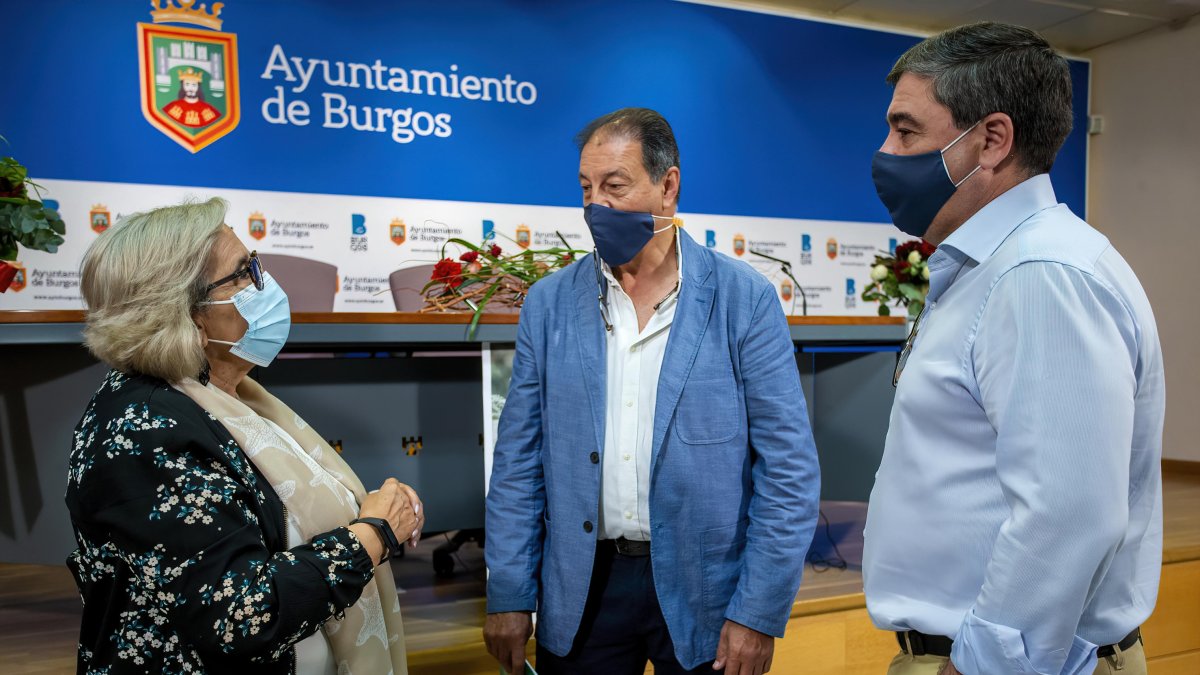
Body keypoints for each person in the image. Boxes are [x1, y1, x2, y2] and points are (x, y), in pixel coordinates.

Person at [862, 22, 1164, 675]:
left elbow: (1070, 512)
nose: (885, 150)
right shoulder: (992, 268)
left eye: (906, 130)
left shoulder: (1038, 276)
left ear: (992, 140)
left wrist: (982, 666)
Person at [483, 107, 820, 675]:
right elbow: (518, 463)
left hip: (707, 593)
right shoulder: (548, 304)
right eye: (586, 189)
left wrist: (759, 612)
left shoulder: (744, 301)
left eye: (615, 186)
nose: (597, 206)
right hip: (583, 591)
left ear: (668, 185)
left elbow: (788, 470)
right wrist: (510, 592)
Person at [67, 198, 422, 674]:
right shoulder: (145, 428)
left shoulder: (227, 398)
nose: (264, 283)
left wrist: (378, 512)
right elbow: (238, 615)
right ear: (187, 316)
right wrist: (372, 536)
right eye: (243, 273)